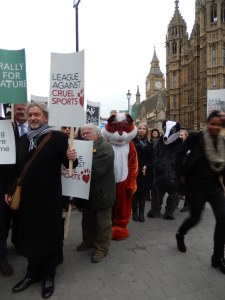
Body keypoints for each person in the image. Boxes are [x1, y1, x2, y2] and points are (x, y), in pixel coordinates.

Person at [5, 102, 77, 299]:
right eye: (30, 115)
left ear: (45, 117)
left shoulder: (58, 138)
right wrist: (9, 190)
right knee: (29, 236)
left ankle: (48, 276)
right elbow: (15, 169)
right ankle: (32, 273)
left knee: (49, 237)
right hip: (27, 200)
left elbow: (70, 164)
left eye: (37, 114)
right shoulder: (21, 140)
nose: (33, 118)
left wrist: (72, 156)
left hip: (49, 199)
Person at [175, 110, 225, 275]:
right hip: (196, 187)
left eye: (219, 125)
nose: (215, 127)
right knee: (195, 218)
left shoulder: (222, 141)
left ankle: (217, 258)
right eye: (213, 124)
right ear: (207, 123)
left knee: (223, 220)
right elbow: (179, 153)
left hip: (214, 187)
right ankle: (180, 234)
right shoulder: (197, 137)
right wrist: (181, 175)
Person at [76, 124, 116, 263]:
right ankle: (87, 241)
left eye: (87, 133)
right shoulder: (83, 147)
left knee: (102, 222)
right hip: (88, 192)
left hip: (102, 193)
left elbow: (96, 169)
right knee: (87, 220)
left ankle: (101, 249)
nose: (85, 136)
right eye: (83, 134)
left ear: (96, 134)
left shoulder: (105, 147)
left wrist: (77, 167)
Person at [132, 123, 153, 222]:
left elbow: (151, 158)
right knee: (135, 193)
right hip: (135, 170)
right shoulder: (132, 142)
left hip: (145, 172)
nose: (141, 130)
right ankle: (135, 212)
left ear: (146, 131)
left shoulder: (149, 144)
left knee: (143, 193)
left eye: (144, 129)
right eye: (140, 128)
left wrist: (146, 166)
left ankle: (141, 213)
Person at [0, 117, 13, 277]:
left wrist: (9, 189)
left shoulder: (4, 124)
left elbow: (8, 161)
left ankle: (1, 257)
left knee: (1, 224)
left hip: (1, 184)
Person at [178, 129, 190, 212]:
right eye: (179, 135)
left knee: (187, 188)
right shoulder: (176, 145)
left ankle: (187, 205)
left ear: (186, 136)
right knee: (178, 187)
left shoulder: (190, 145)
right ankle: (173, 204)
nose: (180, 136)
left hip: (188, 170)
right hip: (178, 169)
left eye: (182, 135)